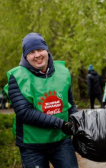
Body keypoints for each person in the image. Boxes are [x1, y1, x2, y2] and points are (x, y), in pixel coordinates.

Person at [4, 33, 78, 168]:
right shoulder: (16, 77)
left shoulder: (63, 72)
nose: (37, 55)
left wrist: (79, 122)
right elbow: (24, 112)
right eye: (31, 52)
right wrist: (61, 124)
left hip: (61, 142)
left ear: (46, 50)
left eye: (39, 50)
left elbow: (70, 104)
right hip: (32, 146)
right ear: (25, 56)